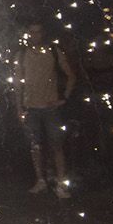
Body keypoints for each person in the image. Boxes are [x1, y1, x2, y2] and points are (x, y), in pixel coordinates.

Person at [15, 21, 76, 199]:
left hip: (50, 108)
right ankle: (41, 180)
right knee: (35, 146)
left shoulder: (53, 51)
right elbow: (18, 84)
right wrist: (19, 107)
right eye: (32, 32)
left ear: (43, 33)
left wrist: (63, 98)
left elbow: (71, 75)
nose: (35, 36)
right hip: (31, 107)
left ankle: (61, 183)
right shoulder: (22, 55)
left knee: (56, 145)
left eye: (38, 32)